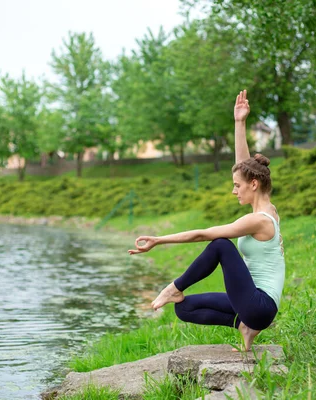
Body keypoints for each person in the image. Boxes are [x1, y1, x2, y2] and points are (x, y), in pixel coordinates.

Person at [128, 90, 285, 351]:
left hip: (260, 305)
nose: (234, 191)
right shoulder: (268, 208)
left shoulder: (260, 220)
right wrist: (239, 123)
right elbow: (244, 167)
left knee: (221, 245)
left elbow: (204, 234)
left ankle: (173, 288)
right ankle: (244, 325)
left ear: (253, 185)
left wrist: (159, 240)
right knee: (185, 308)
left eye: (237, 186)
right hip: (252, 306)